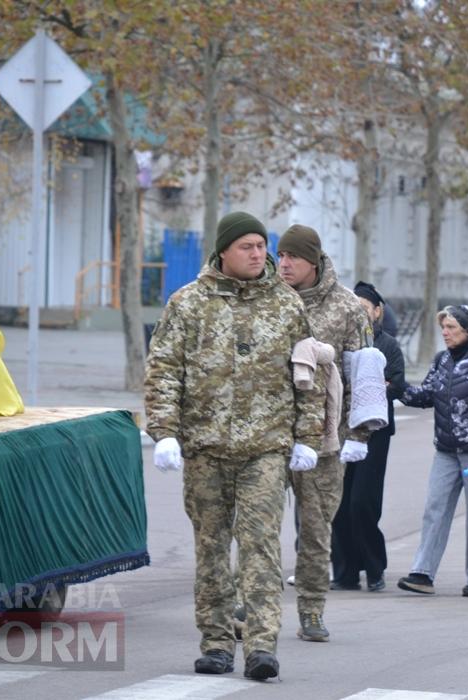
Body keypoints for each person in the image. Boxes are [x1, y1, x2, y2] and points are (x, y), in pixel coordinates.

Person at [144, 211, 324, 681]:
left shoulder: (285, 305)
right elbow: (164, 369)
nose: (258, 254)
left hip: (265, 448)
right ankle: (218, 642)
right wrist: (163, 432)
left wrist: (307, 438)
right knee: (211, 549)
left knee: (261, 547)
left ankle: (262, 645)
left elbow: (307, 377)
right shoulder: (187, 303)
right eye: (247, 246)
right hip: (205, 448)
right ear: (223, 251)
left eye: (263, 246)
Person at [276, 224, 373, 642]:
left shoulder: (348, 307)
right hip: (271, 435)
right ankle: (249, 603)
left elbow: (362, 376)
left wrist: (359, 434)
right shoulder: (267, 299)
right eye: (279, 256)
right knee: (257, 528)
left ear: (313, 260)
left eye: (292, 257)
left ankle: (312, 610)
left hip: (324, 443)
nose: (283, 264)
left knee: (316, 532)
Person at [397, 305, 468, 597]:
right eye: (443, 328)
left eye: (452, 328)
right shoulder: (442, 359)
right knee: (435, 509)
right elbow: (427, 395)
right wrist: (397, 387)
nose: (445, 333)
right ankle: (422, 573)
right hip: (445, 450)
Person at [330, 281, 406, 592]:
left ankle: (374, 568)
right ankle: (345, 572)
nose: (359, 315)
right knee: (339, 503)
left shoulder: (387, 344)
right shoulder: (342, 342)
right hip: (341, 430)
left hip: (375, 433)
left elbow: (397, 384)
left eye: (364, 309)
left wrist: (374, 390)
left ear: (377, 312)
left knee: (363, 502)